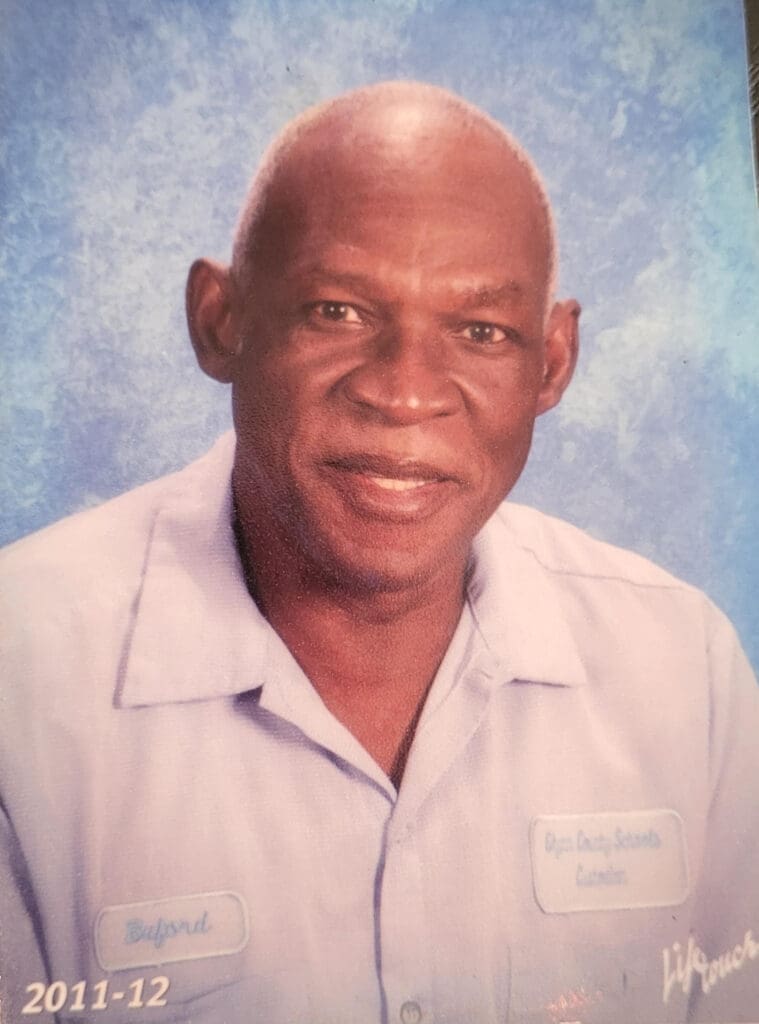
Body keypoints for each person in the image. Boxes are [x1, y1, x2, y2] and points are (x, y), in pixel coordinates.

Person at [1, 81, 757, 1024]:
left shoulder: (683, 671)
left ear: (552, 363)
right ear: (219, 320)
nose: (404, 394)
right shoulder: (18, 679)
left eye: (480, 332)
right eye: (337, 312)